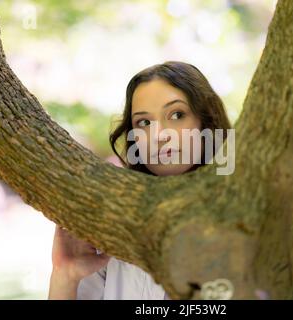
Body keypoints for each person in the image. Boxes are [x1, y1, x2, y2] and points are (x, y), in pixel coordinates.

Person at [48, 61, 232, 300]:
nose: (159, 135)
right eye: (144, 123)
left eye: (176, 115)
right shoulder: (111, 223)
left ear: (206, 122)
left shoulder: (247, 217)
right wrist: (66, 275)